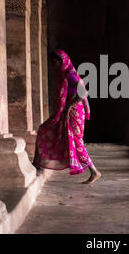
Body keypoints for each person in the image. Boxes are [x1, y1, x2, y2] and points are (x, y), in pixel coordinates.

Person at [33, 50, 102, 184]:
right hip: (66, 111)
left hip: (74, 112)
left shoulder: (70, 75)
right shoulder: (63, 75)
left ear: (62, 61)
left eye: (55, 61)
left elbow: (83, 93)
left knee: (76, 141)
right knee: (44, 130)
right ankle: (38, 163)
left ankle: (94, 171)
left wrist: (70, 105)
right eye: (52, 62)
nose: (53, 64)